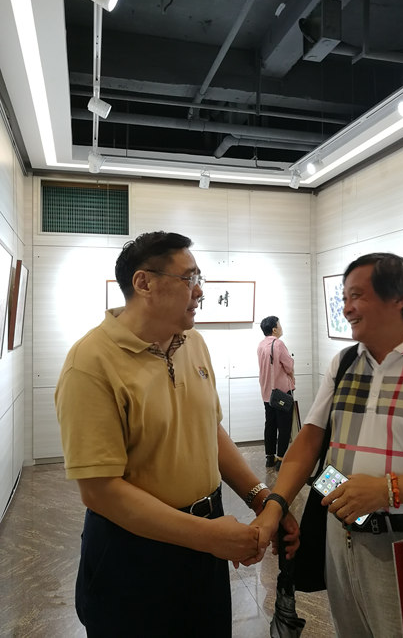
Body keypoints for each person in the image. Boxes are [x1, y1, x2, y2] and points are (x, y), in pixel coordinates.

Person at [55, 231, 298, 638]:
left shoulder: (193, 343)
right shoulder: (90, 362)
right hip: (133, 552)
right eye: (189, 278)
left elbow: (209, 430)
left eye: (199, 278)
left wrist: (261, 498)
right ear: (144, 283)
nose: (199, 290)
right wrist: (209, 536)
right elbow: (99, 490)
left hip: (206, 542)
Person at [253, 252, 403, 638]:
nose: (346, 308)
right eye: (344, 297)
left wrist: (388, 490)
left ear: (398, 297)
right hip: (341, 539)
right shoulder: (344, 363)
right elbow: (309, 441)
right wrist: (275, 506)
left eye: (357, 296)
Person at [257, 316, 295, 470]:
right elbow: (288, 366)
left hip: (267, 392)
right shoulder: (278, 344)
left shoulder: (261, 345)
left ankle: (269, 457)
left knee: (270, 424)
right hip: (281, 393)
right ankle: (281, 459)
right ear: (274, 329)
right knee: (284, 426)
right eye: (279, 324)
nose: (281, 327)